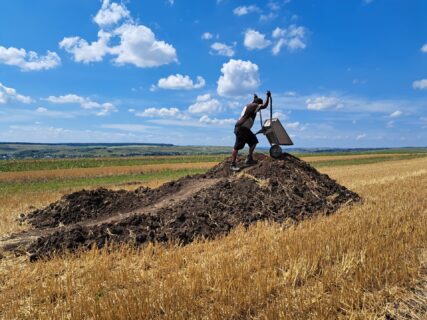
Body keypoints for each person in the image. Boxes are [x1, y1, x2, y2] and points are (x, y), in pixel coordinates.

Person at [230, 91, 271, 170]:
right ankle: (232, 164)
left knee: (254, 141)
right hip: (241, 128)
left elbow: (254, 101)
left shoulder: (249, 105)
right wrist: (267, 96)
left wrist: (255, 98)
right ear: (258, 103)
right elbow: (265, 105)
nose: (259, 109)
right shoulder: (255, 105)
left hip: (245, 129)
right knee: (237, 146)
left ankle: (249, 159)